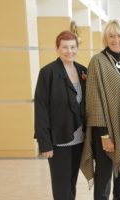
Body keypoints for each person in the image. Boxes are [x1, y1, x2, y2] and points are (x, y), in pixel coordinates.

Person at [80, 19, 120, 200]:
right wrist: (105, 136)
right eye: (111, 36)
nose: (116, 40)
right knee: (104, 177)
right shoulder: (97, 61)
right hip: (105, 131)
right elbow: (93, 102)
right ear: (106, 38)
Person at [34, 30, 87, 200]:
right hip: (58, 140)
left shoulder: (83, 71)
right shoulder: (47, 73)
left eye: (72, 47)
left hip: (80, 139)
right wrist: (45, 143)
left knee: (71, 182)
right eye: (64, 47)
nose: (69, 51)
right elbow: (40, 109)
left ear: (77, 48)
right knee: (61, 186)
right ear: (57, 49)